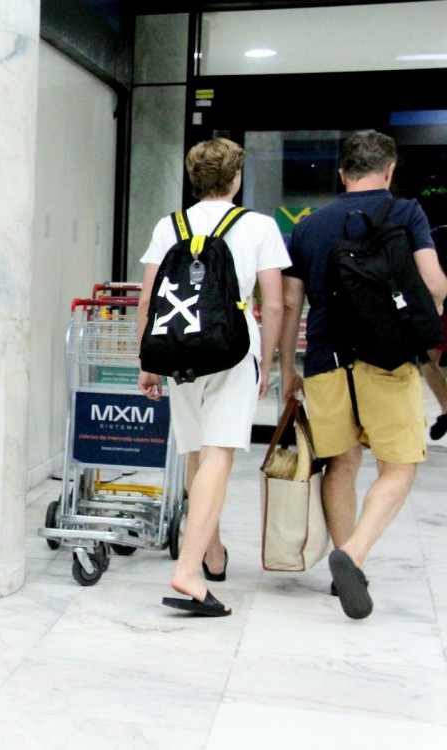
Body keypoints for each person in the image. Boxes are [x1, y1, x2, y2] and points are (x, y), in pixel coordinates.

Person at [280, 130, 447, 620]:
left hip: (326, 363)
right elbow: (434, 283)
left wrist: (288, 366)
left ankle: (343, 566)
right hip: (387, 360)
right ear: (390, 170)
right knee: (398, 466)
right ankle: (352, 555)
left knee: (342, 464)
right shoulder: (406, 212)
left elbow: (291, 304)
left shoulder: (309, 227)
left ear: (341, 173)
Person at [137, 138, 289, 617]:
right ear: (237, 178)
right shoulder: (259, 226)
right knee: (219, 453)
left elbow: (148, 302)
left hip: (179, 350)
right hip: (232, 349)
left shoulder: (170, 225)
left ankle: (211, 550)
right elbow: (276, 302)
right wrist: (271, 363)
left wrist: (147, 363)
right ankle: (188, 568)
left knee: (198, 455)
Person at [419, 225, 447, 440]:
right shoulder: (437, 236)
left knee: (427, 359)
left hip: (439, 308)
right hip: (439, 309)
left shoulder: (436, 236)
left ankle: (446, 408)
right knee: (427, 359)